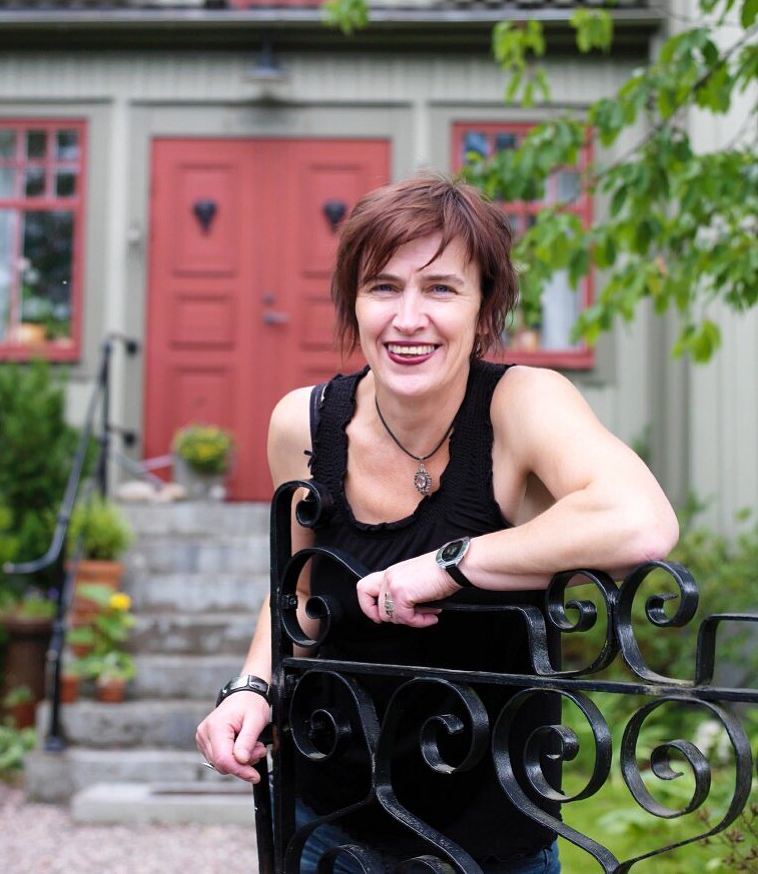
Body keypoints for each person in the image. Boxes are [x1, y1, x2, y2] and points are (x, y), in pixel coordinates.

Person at [196, 172, 678, 873]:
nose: (407, 318)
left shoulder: (521, 405)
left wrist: (450, 564)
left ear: (484, 310)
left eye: (440, 289)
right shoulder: (302, 422)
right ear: (353, 305)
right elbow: (295, 599)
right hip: (325, 824)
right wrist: (250, 689)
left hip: (491, 845)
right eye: (383, 287)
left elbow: (638, 525)